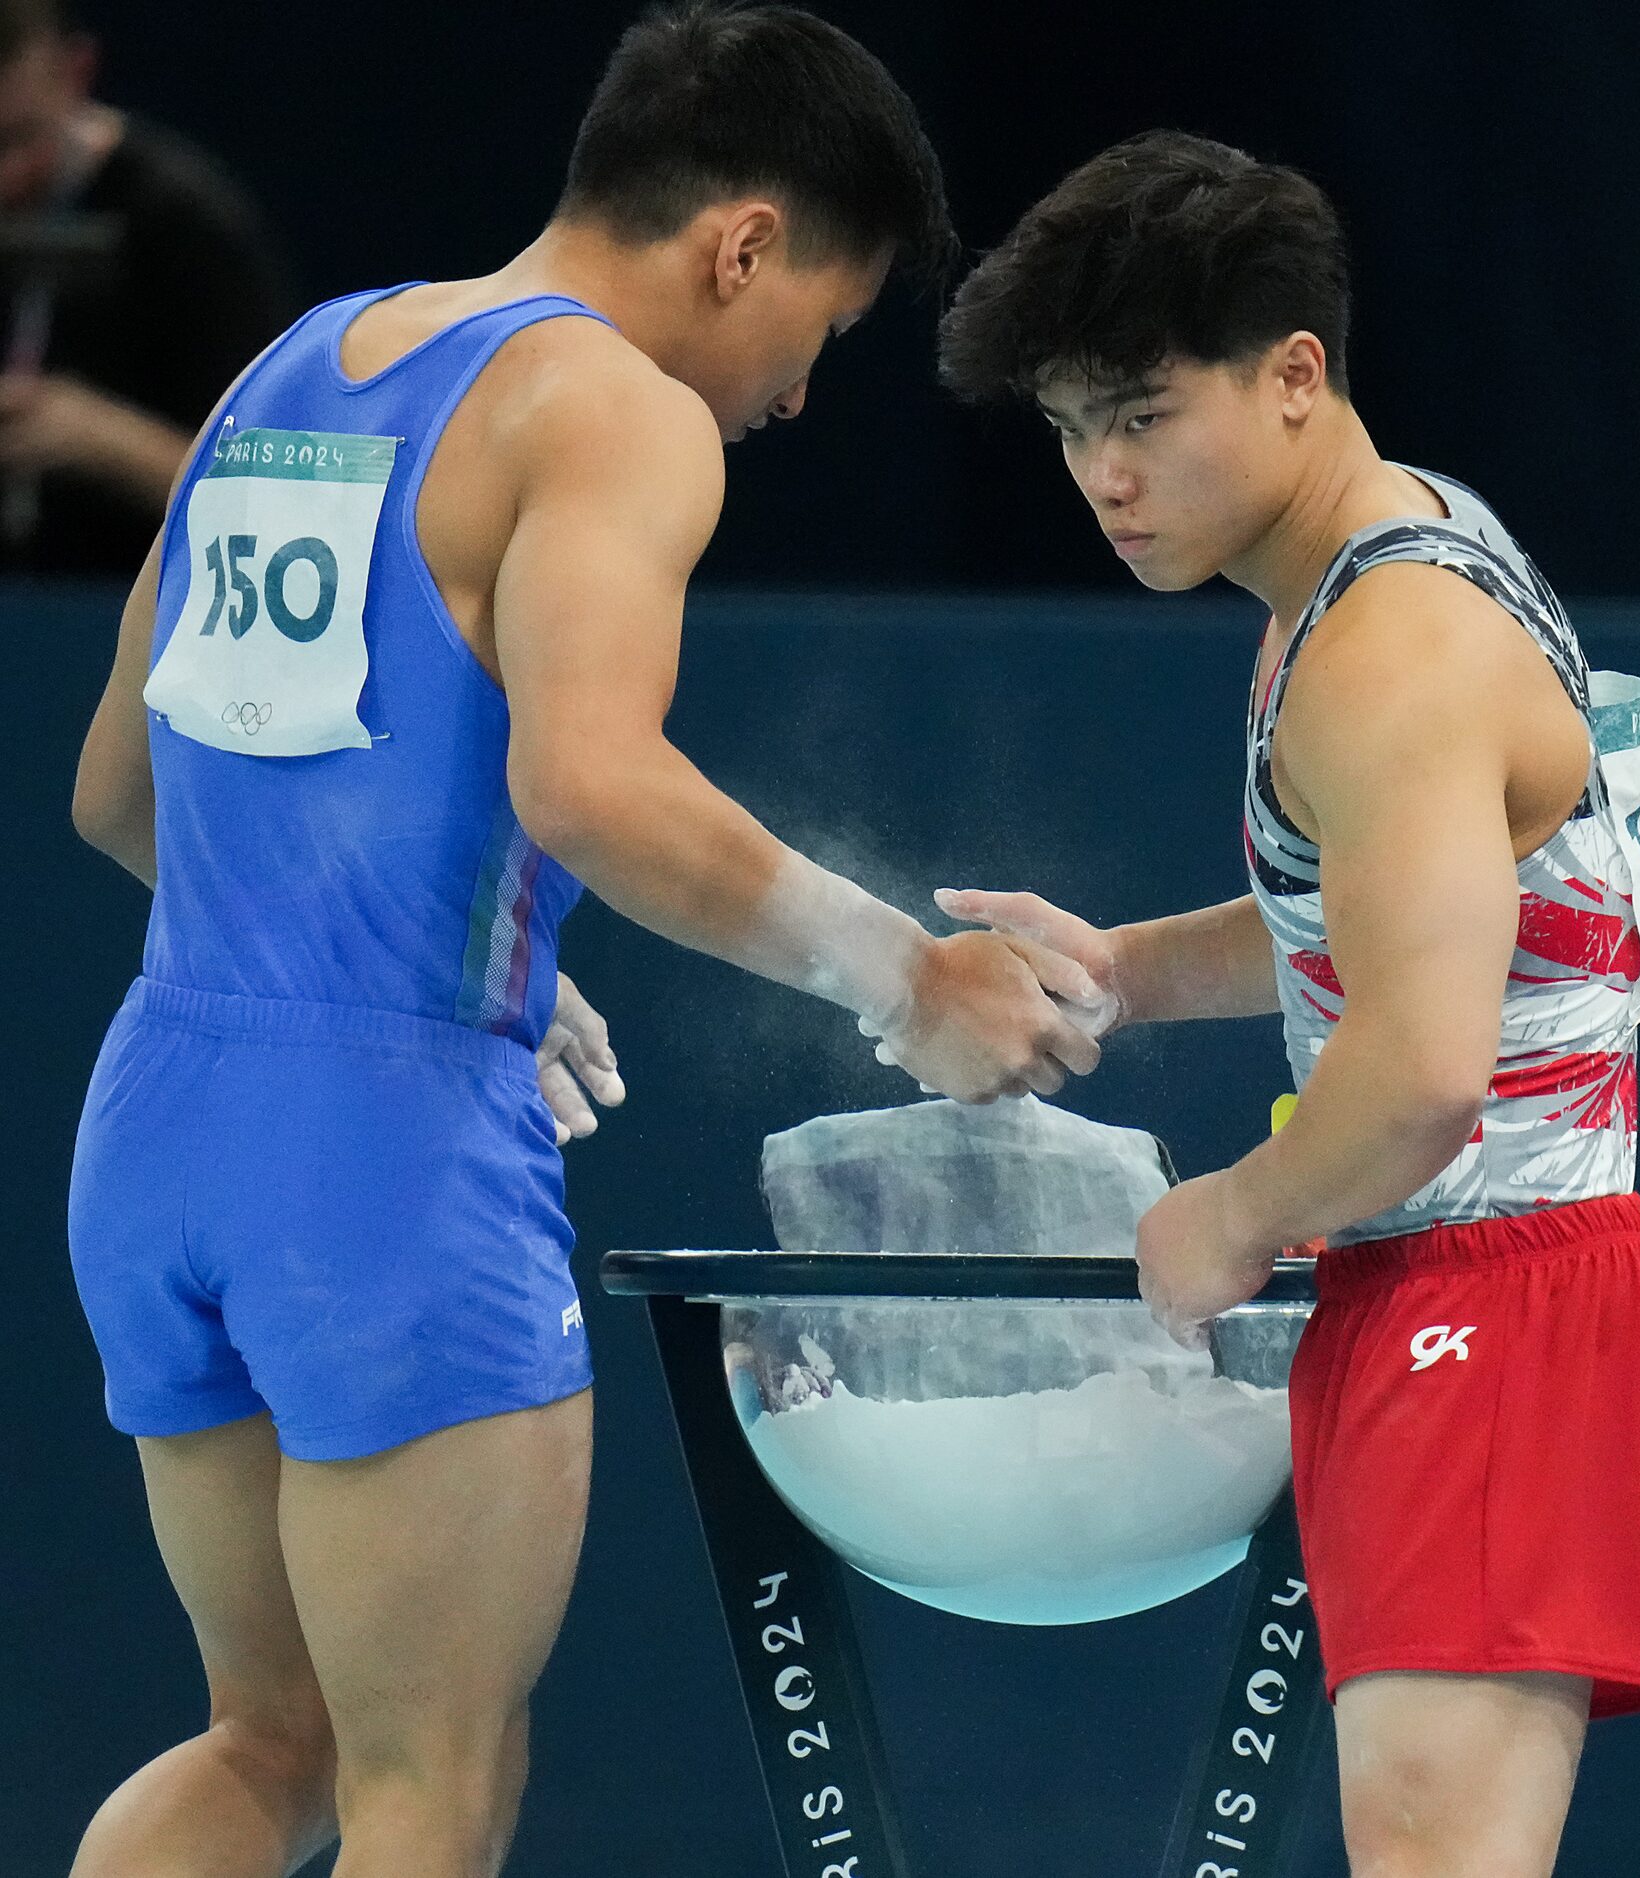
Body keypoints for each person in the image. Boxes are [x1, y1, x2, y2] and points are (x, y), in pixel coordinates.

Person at [62, 8, 1105, 1874]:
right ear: (742, 246)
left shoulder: (285, 369)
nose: (790, 398)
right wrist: (906, 968)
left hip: (159, 1123)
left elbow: (118, 796)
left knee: (266, 1742)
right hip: (381, 1159)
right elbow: (593, 787)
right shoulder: (608, 405)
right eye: (823, 334)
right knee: (427, 1781)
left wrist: (454, 963)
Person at [935, 132, 1640, 1878]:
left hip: (1489, 1304)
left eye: (1139, 415)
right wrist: (1131, 969)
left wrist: (1233, 1212)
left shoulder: (1386, 651)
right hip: (1447, 1290)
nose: (1100, 475)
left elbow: (1422, 1074)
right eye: (1066, 430)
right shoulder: (1364, 560)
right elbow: (1394, 926)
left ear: (1293, 377)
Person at [0, 0, 290, 576]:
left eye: (16, 139)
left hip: (130, 615)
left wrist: (95, 436)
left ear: (77, 72)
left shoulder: (184, 223)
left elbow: (272, 490)